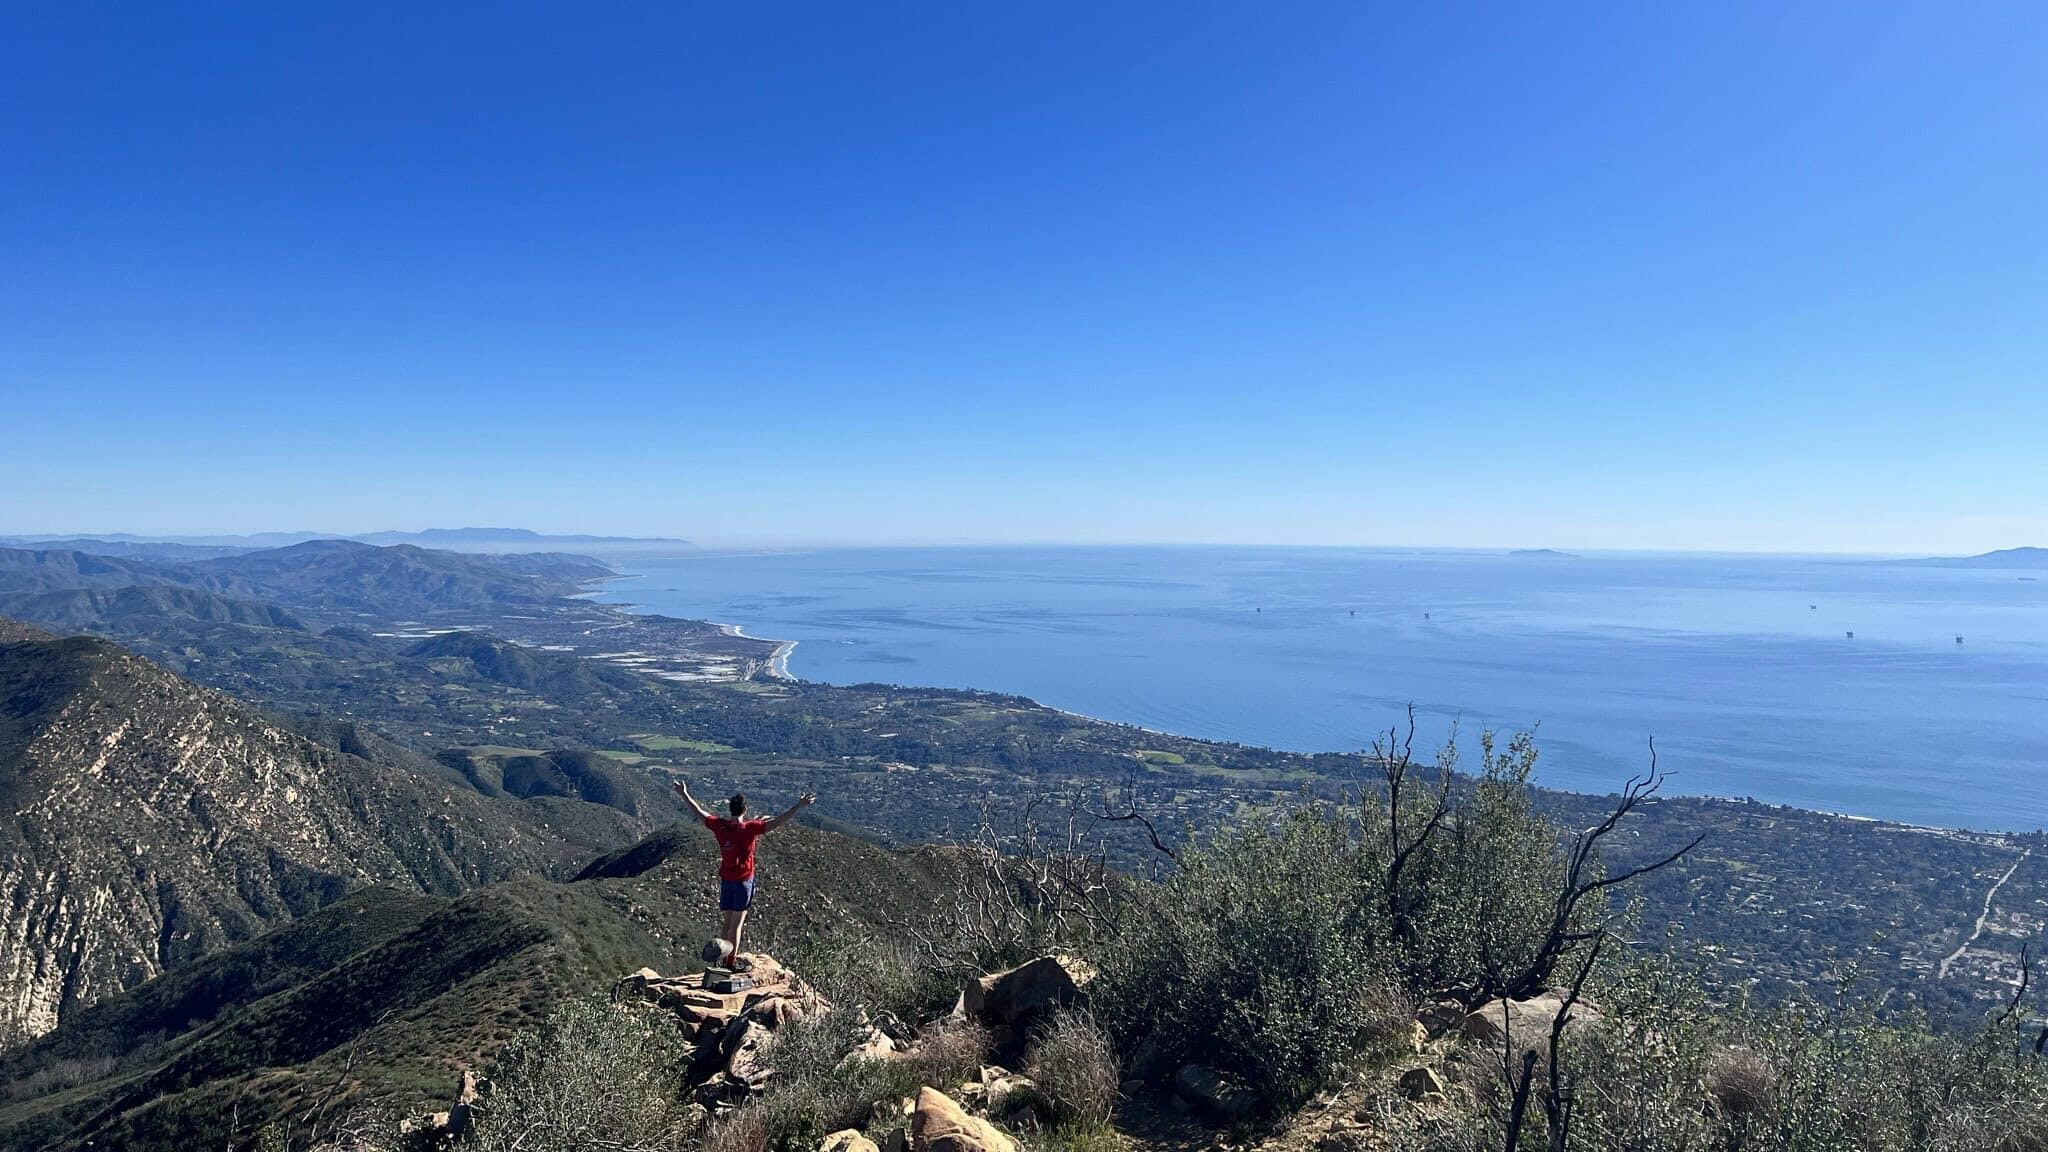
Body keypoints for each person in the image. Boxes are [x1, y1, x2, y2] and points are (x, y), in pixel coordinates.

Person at [673, 780, 816, 971]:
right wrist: (799, 805)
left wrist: (684, 794)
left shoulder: (720, 826)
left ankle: (720, 959)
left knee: (727, 923)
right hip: (743, 881)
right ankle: (730, 962)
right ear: (745, 810)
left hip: (726, 880)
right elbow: (778, 821)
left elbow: (699, 812)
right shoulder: (750, 829)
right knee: (737, 924)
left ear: (730, 809)